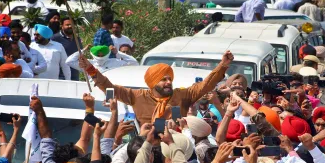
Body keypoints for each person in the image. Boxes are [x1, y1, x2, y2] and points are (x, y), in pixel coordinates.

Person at [78, 50, 232, 125]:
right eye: (163, 79)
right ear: (152, 83)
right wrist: (91, 70)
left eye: (169, 79)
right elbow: (108, 87)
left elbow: (206, 85)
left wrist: (222, 66)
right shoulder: (137, 96)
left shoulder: (182, 95)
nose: (168, 82)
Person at [66, 44, 138, 74]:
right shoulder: (88, 64)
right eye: (98, 55)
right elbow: (69, 61)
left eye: (102, 55)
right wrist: (83, 50)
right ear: (94, 55)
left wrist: (117, 52)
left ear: (107, 54)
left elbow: (134, 63)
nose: (100, 57)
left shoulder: (115, 62)